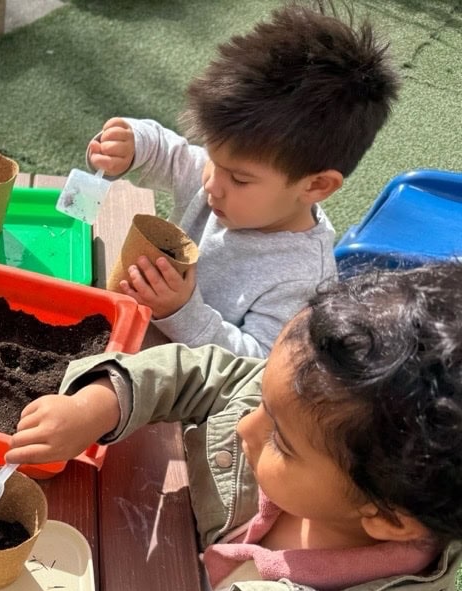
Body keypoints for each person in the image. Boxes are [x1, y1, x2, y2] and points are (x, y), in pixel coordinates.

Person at [5, 265, 462, 591]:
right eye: (264, 403)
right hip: (149, 570)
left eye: (281, 444)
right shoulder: (308, 407)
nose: (246, 425)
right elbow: (205, 375)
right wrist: (101, 403)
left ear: (384, 518)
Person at [88, 2, 399, 357]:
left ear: (315, 186)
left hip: (192, 390)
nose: (211, 184)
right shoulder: (223, 177)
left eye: (238, 179)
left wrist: (181, 312)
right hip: (137, 330)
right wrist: (132, 144)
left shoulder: (301, 276)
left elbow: (255, 363)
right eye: (212, 159)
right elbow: (170, 153)